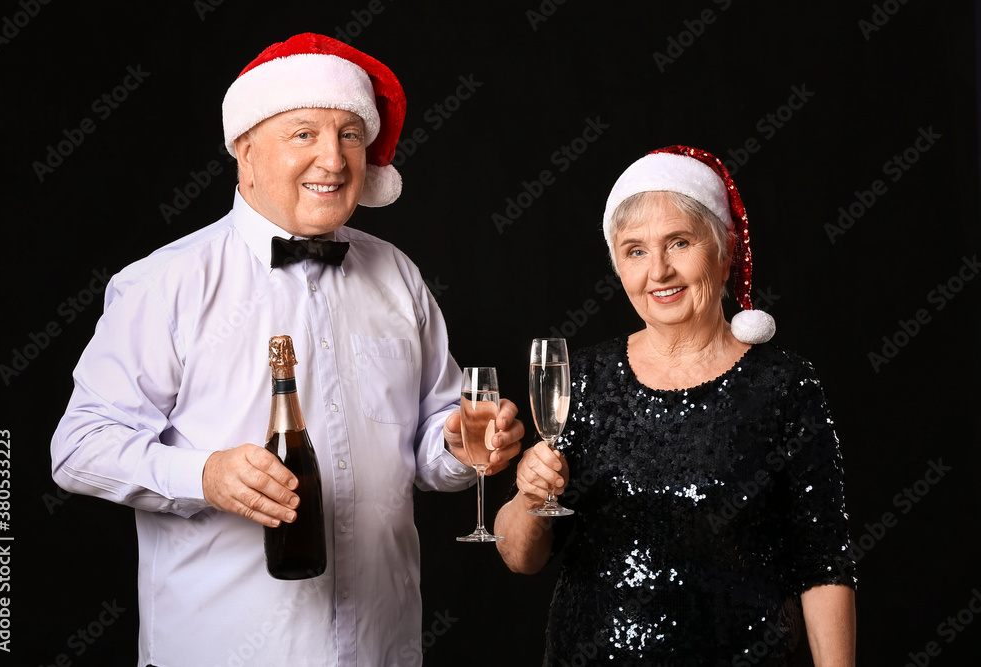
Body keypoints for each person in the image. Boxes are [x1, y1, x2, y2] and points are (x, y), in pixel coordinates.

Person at [50, 33, 523, 667]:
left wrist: (458, 444)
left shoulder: (399, 276)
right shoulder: (165, 284)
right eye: (304, 133)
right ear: (244, 152)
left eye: (350, 134)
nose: (333, 159)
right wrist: (205, 476)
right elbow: (78, 447)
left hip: (382, 651)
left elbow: (430, 445)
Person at [495, 146, 856, 666]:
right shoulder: (586, 377)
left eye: (679, 243)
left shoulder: (783, 384)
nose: (658, 271)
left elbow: (824, 564)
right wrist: (530, 497)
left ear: (725, 250)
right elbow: (521, 557)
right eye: (635, 251)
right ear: (617, 264)